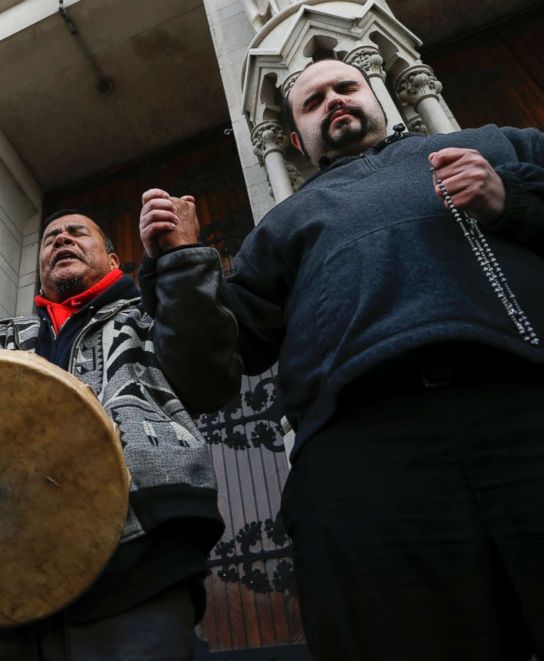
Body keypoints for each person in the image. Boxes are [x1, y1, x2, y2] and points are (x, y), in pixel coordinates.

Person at [141, 58, 544, 660]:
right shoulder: (280, 227)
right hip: (364, 454)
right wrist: (181, 264)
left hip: (523, 402)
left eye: (345, 87)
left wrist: (512, 198)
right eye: (313, 101)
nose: (333, 100)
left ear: (378, 94)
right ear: (297, 140)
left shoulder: (496, 146)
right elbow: (211, 372)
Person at [0, 209, 242, 660]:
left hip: (138, 556)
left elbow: (211, 379)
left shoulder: (152, 313)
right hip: (9, 571)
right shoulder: (1, 336)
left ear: (113, 260)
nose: (61, 240)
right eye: (51, 237)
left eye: (76, 233)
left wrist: (183, 259)